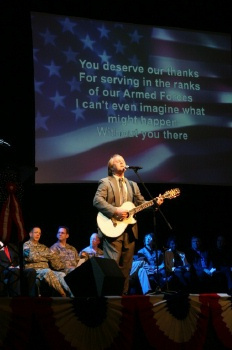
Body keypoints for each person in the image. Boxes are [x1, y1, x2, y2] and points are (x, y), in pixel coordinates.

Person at [93, 154, 163, 295]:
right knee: (112, 266)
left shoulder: (133, 185)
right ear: (111, 168)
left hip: (130, 230)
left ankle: (123, 297)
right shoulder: (106, 182)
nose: (122, 162)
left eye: (123, 161)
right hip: (112, 229)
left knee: (127, 267)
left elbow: (141, 203)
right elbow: (97, 201)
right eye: (118, 161)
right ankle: (109, 298)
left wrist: (154, 203)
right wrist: (115, 211)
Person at [23, 227, 73, 297]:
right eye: (36, 232)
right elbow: (31, 258)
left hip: (45, 270)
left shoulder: (43, 247)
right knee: (47, 271)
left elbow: (54, 259)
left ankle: (72, 295)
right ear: (30, 234)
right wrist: (45, 255)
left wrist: (65, 267)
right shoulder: (26, 245)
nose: (38, 235)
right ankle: (63, 294)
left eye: (39, 233)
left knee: (61, 274)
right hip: (34, 270)